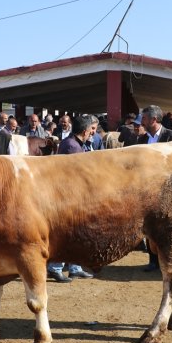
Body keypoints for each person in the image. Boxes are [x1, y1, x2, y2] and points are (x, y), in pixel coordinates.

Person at [47, 114, 98, 283]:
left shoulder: (73, 143)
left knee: (74, 234)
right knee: (65, 234)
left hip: (71, 197)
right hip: (68, 198)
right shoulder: (73, 147)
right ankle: (55, 268)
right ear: (84, 131)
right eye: (91, 130)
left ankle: (75, 268)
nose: (92, 133)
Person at [137, 105, 172, 271]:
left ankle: (169, 259)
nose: (142, 122)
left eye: (145, 119)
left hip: (168, 188)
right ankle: (153, 260)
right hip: (148, 189)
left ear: (154, 120)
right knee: (149, 226)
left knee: (168, 226)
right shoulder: (141, 140)